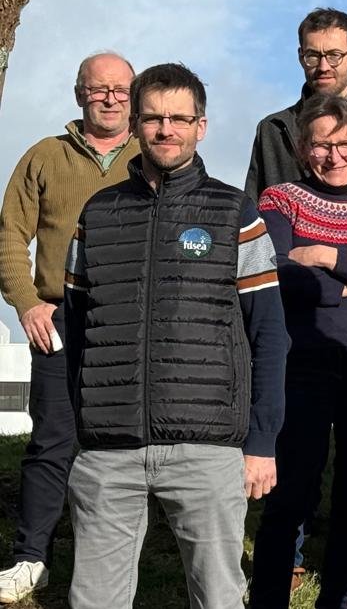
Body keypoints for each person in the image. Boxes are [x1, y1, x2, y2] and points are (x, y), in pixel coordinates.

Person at [63, 63, 287, 609]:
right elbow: (76, 330)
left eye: (179, 118)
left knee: (217, 597)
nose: (167, 129)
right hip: (108, 452)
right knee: (93, 601)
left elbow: (271, 336)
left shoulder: (236, 212)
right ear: (136, 125)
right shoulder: (97, 214)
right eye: (154, 118)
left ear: (201, 126)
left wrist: (261, 442)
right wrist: (82, 428)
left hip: (206, 449)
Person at [249, 94, 347, 609]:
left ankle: (339, 599)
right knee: (291, 489)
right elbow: (276, 274)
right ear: (302, 148)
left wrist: (321, 253)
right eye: (322, 146)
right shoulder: (279, 200)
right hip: (303, 353)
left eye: (345, 145)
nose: (334, 156)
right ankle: (269, 598)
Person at [0, 52, 139, 604]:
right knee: (52, 439)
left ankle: (116, 554)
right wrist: (28, 303)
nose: (109, 98)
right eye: (97, 88)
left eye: (120, 89)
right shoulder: (44, 155)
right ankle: (31, 556)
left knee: (126, 444)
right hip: (58, 318)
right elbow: (10, 234)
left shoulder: (150, 154)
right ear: (78, 94)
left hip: (129, 321)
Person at [245, 8, 347, 206]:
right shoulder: (272, 130)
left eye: (334, 55)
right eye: (313, 56)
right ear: (301, 57)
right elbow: (252, 216)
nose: (324, 66)